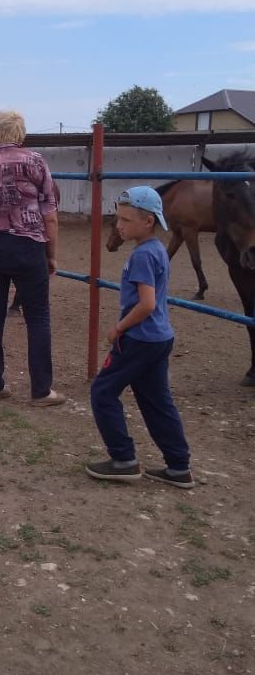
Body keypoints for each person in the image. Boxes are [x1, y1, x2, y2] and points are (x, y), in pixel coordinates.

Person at [86, 187, 193, 488]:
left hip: (139, 339)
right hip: (159, 338)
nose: (119, 225)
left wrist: (118, 328)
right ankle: (178, 465)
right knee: (157, 401)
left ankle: (123, 459)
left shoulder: (143, 256)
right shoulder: (158, 249)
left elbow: (146, 304)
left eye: (125, 219)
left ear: (148, 221)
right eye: (118, 218)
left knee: (103, 391)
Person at [0, 109, 64, 405]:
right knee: (38, 317)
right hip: (28, 246)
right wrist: (51, 254)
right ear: (20, 133)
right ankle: (41, 390)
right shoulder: (35, 161)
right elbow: (50, 215)